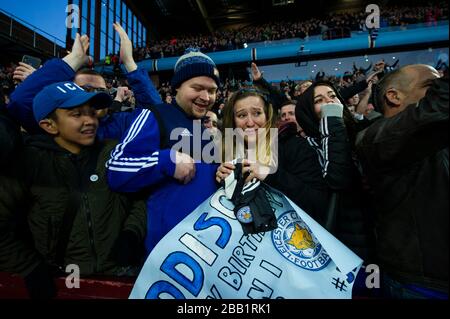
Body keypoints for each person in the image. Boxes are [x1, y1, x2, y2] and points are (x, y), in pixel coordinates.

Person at [0, 82, 147, 299]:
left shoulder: (114, 151)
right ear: (49, 125)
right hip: (62, 282)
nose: (90, 120)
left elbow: (141, 198)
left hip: (120, 276)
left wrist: (131, 234)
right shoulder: (28, 163)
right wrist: (30, 267)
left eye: (91, 112)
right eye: (76, 114)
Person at [106, 48, 221, 255]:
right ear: (177, 86)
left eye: (212, 90)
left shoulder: (203, 129)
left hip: (205, 248)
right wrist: (165, 161)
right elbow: (115, 168)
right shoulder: (153, 115)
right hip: (165, 254)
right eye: (197, 88)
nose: (206, 97)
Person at [356, 64, 448, 299]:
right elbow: (437, 108)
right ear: (393, 96)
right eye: (432, 86)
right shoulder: (372, 138)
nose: (439, 90)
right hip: (423, 286)